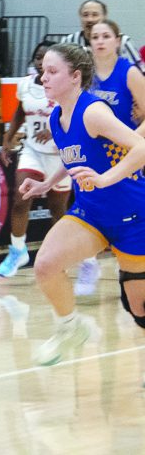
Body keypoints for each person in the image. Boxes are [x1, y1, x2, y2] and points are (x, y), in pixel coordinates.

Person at [18, 43, 145, 366]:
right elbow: (75, 155)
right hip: (91, 213)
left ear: (75, 77)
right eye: (42, 71)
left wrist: (106, 178)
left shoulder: (94, 111)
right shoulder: (58, 116)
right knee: (46, 264)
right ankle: (70, 328)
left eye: (52, 71)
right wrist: (48, 183)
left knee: (139, 307)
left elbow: (141, 148)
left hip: (134, 215)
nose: (43, 78)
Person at [69, 20, 145, 295]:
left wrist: (133, 139)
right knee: (88, 204)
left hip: (125, 151)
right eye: (95, 36)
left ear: (117, 40)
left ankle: (133, 271)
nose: (99, 41)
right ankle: (89, 263)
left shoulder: (129, 72)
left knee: (129, 210)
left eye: (106, 36)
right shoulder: (85, 74)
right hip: (93, 152)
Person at [0, 40, 71, 278]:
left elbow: (75, 116)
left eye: (47, 58)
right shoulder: (25, 85)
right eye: (38, 57)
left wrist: (53, 129)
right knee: (20, 198)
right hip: (33, 151)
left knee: (57, 209)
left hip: (59, 156)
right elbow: (20, 112)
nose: (41, 62)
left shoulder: (67, 85)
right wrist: (8, 138)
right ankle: (18, 251)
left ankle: (57, 255)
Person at [61, 0, 144, 73]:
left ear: (105, 17)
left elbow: (140, 70)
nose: (90, 19)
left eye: (95, 15)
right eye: (85, 15)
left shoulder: (123, 42)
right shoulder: (69, 41)